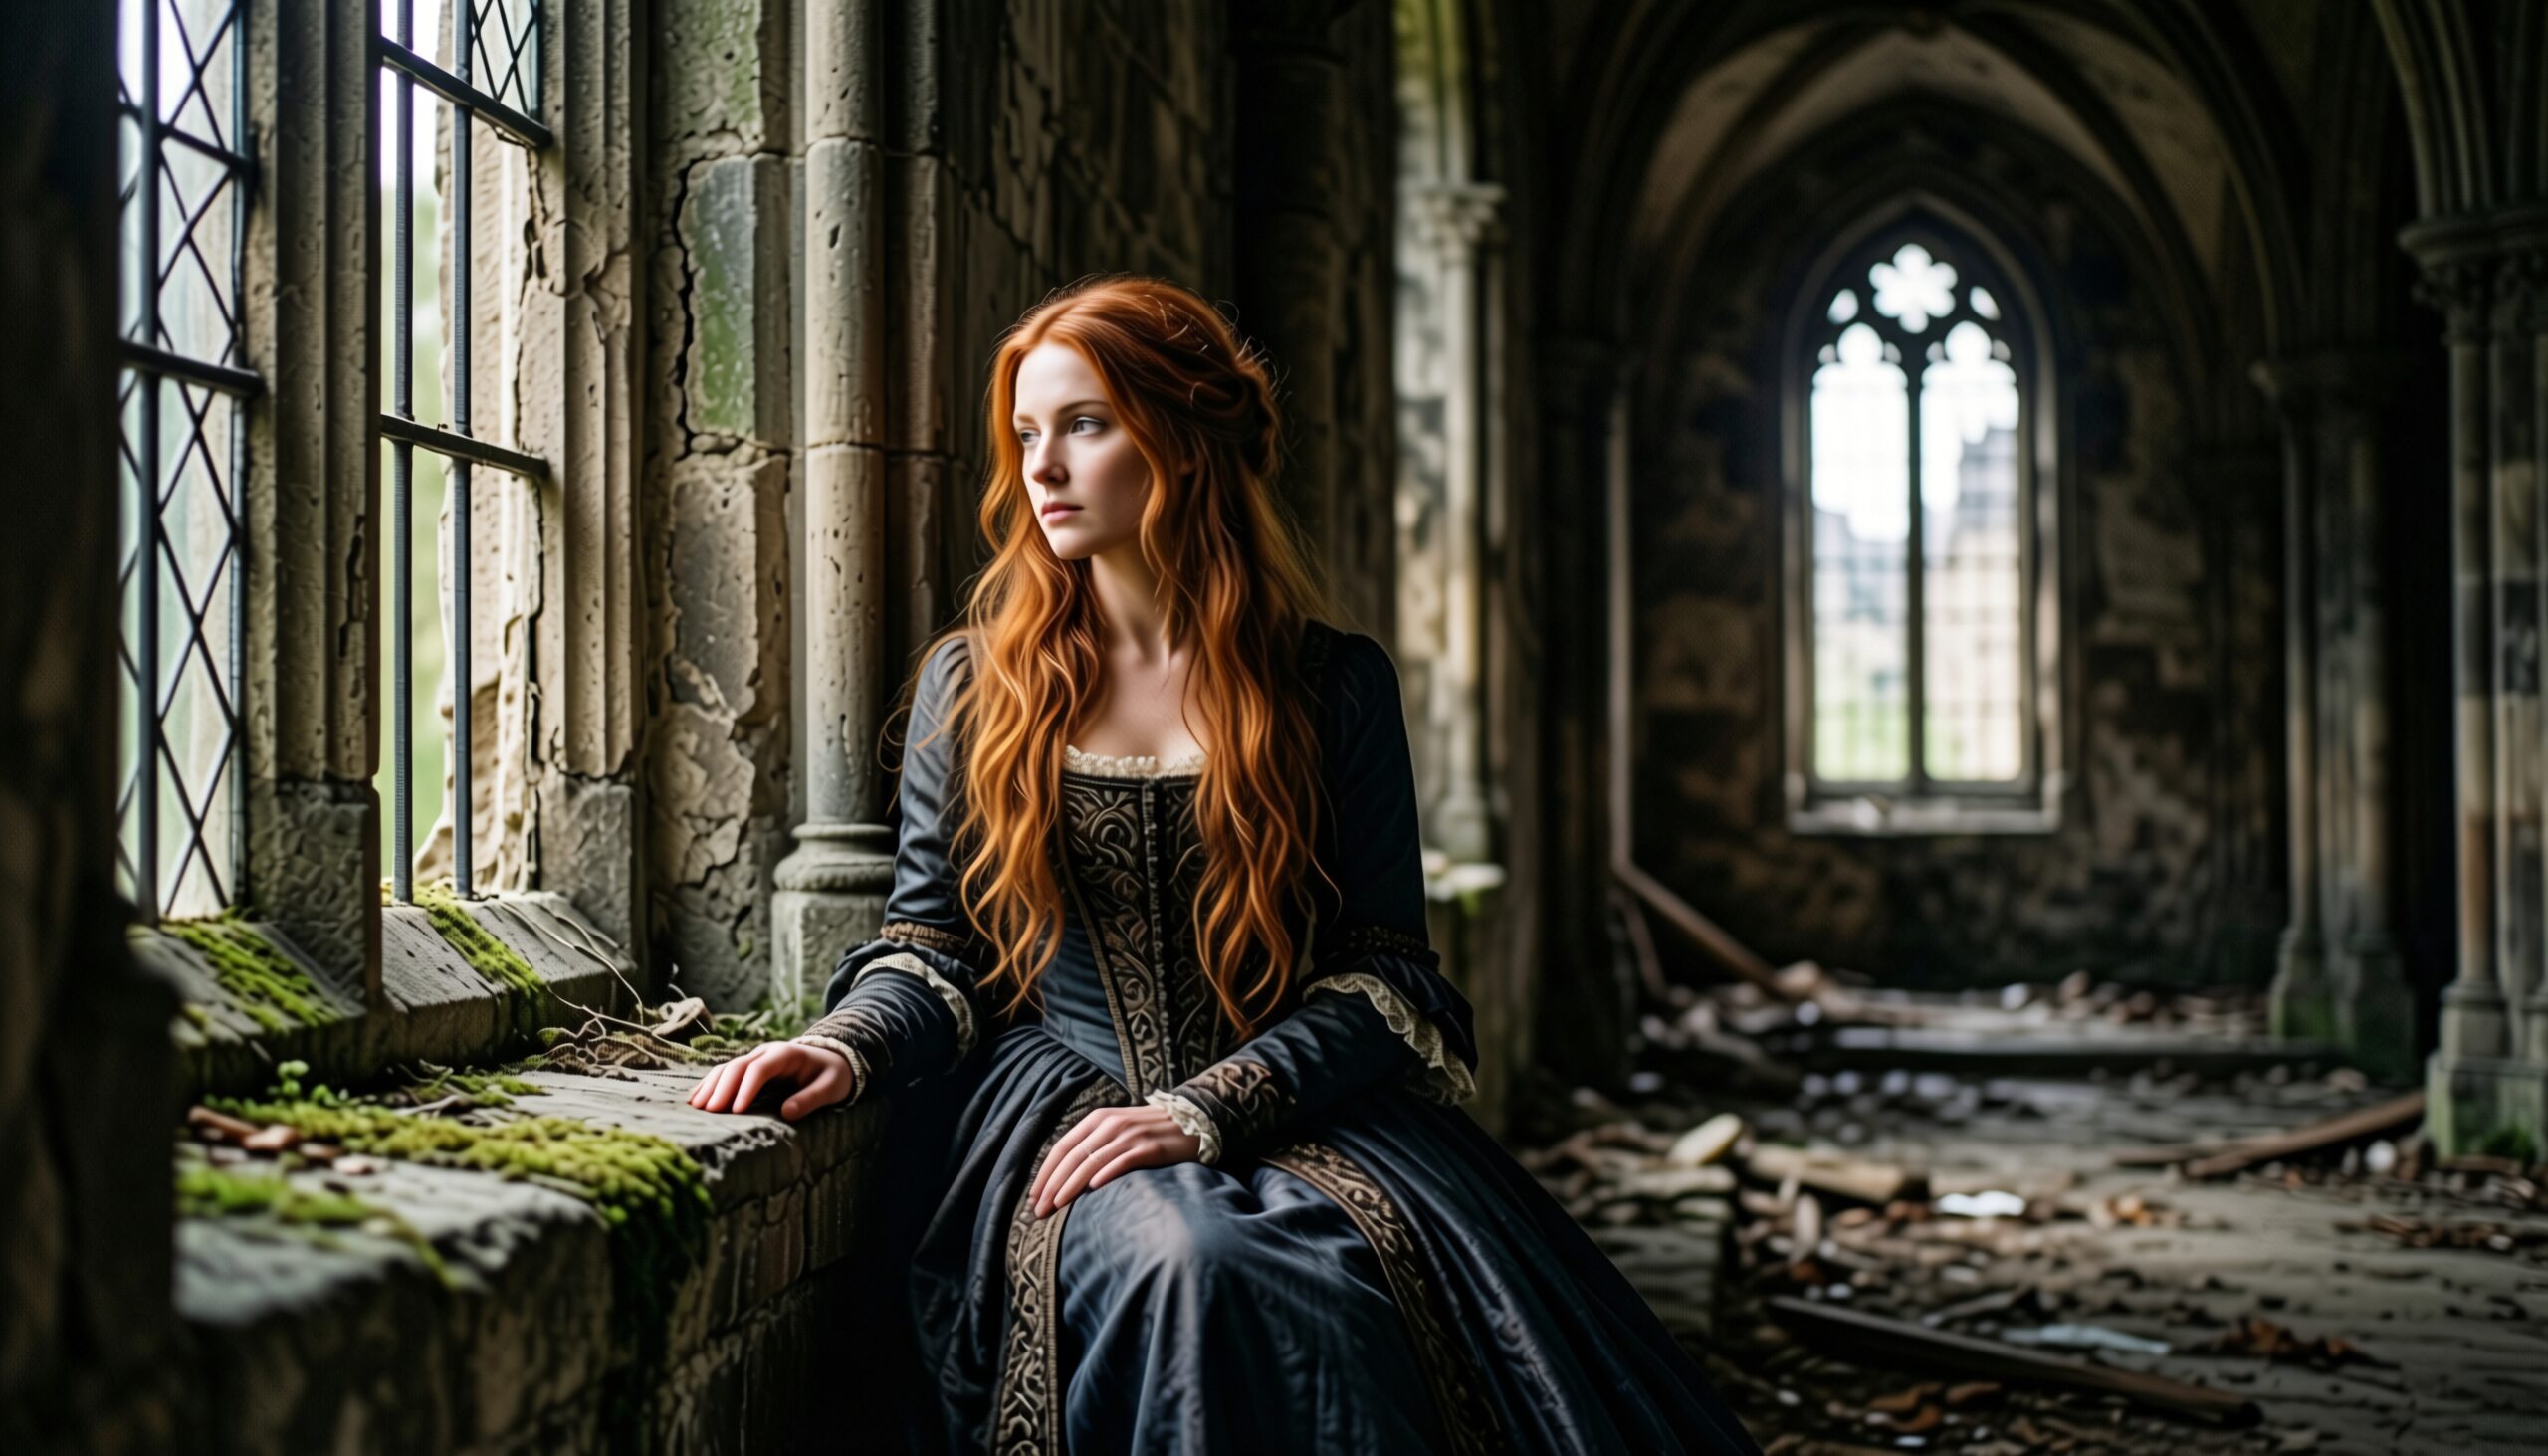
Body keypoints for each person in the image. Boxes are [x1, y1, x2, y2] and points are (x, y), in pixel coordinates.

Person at [689, 275, 1759, 1455]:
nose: (1043, 467)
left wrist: (1209, 1105)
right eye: (1028, 433)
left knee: (1341, 1289)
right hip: (1063, 1111)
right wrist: (847, 1041)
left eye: (1084, 424)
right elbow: (934, 947)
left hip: (1288, 1104)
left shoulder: (1333, 686)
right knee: (1196, 1264)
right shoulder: (977, 684)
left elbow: (1387, 972)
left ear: (1184, 438)